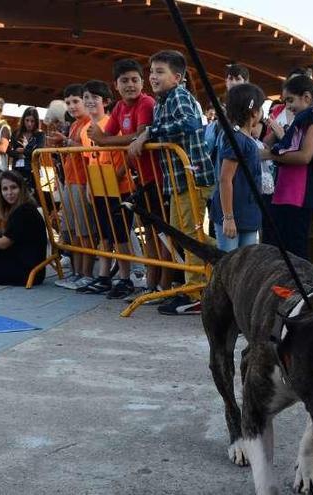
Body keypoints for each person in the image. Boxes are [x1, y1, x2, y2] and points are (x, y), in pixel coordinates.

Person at [128, 50, 216, 316]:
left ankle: (196, 291)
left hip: (192, 178)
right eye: (152, 71)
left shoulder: (178, 96)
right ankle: (224, 257)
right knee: (183, 233)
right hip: (177, 182)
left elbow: (189, 123)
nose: (153, 76)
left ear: (177, 77)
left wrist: (149, 133)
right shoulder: (161, 102)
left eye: (160, 72)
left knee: (188, 234)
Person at [89, 58, 165, 302]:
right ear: (116, 85)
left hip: (158, 178)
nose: (130, 85)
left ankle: (161, 286)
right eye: (125, 81)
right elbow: (110, 134)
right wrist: (104, 140)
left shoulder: (146, 102)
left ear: (143, 82)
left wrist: (103, 141)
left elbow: (140, 134)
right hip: (142, 179)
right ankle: (151, 285)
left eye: (135, 80)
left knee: (160, 234)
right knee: (149, 234)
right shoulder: (120, 107)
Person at [262, 75, 313, 259]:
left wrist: (270, 154)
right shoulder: (300, 120)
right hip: (284, 191)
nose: (288, 106)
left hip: (299, 193)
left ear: (306, 97)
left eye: (290, 100)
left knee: (296, 248)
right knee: (278, 246)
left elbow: (305, 156)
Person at [77, 79, 137, 299]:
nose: (90, 102)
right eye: (87, 98)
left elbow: (128, 155)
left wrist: (117, 176)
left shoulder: (114, 123)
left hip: (120, 187)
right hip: (99, 186)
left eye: (95, 98)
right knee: (104, 234)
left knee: (120, 234)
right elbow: (88, 160)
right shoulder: (85, 130)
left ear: (106, 101)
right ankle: (103, 276)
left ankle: (125, 277)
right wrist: (89, 187)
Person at [52, 84, 96, 291]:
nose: (71, 106)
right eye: (68, 102)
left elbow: (87, 150)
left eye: (75, 101)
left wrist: (67, 142)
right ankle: (77, 273)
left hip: (82, 181)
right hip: (70, 181)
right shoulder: (75, 124)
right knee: (73, 232)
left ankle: (87, 274)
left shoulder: (89, 124)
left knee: (84, 231)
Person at [213, 83, 265, 251]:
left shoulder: (244, 138)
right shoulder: (236, 139)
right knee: (230, 264)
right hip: (233, 214)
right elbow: (225, 179)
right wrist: (228, 217)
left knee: (246, 263)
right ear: (254, 112)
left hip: (247, 213)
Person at [8, 106, 44, 190]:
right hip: (17, 169)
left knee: (31, 195)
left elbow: (38, 152)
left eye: (32, 121)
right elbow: (9, 151)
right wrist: (22, 153)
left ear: (36, 122)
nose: (29, 123)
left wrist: (23, 151)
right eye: (27, 120)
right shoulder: (16, 133)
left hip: (33, 170)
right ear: (23, 120)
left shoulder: (40, 135)